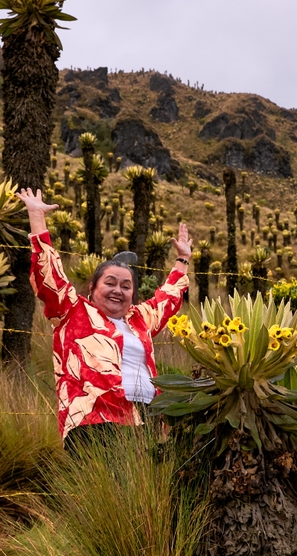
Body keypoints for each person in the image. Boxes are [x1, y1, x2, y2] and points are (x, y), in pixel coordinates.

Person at [17, 187, 191, 453]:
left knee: (140, 492)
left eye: (125, 286)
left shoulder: (139, 318)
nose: (118, 291)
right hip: (94, 422)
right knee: (103, 489)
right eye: (110, 283)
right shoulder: (73, 310)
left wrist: (182, 259)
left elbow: (168, 299)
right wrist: (37, 218)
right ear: (92, 287)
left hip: (145, 418)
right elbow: (49, 277)